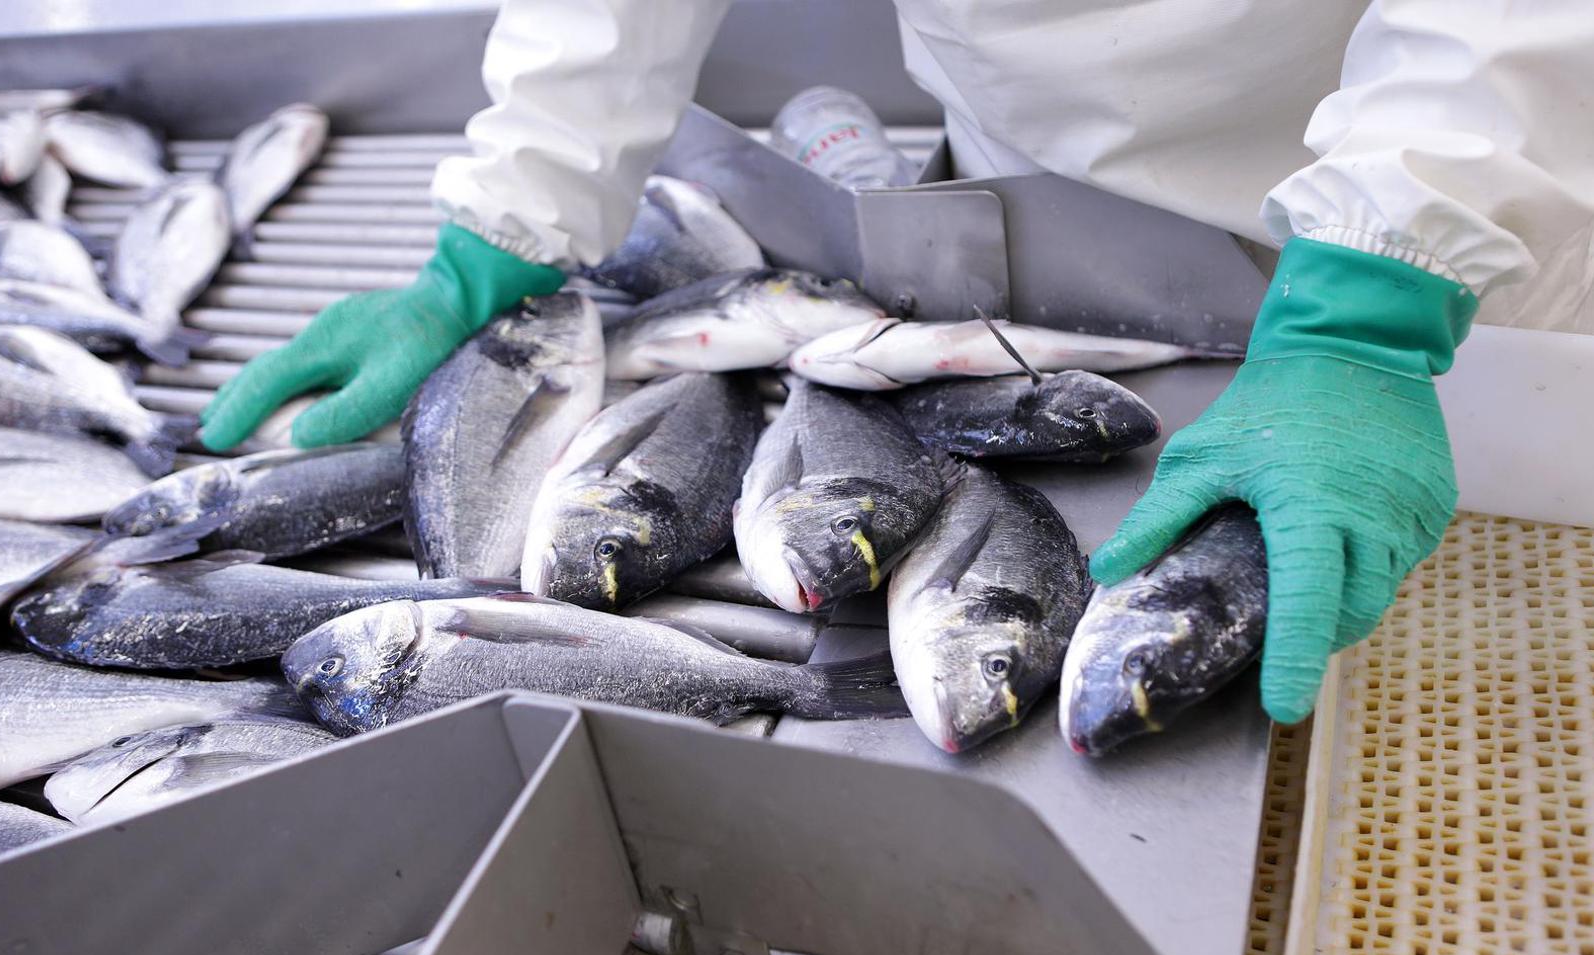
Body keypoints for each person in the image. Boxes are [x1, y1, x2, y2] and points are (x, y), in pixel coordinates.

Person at [199, 0, 1594, 726]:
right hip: (1038, 196)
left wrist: (1376, 298)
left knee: (1480, 647)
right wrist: (512, 216)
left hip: (1445, 221)